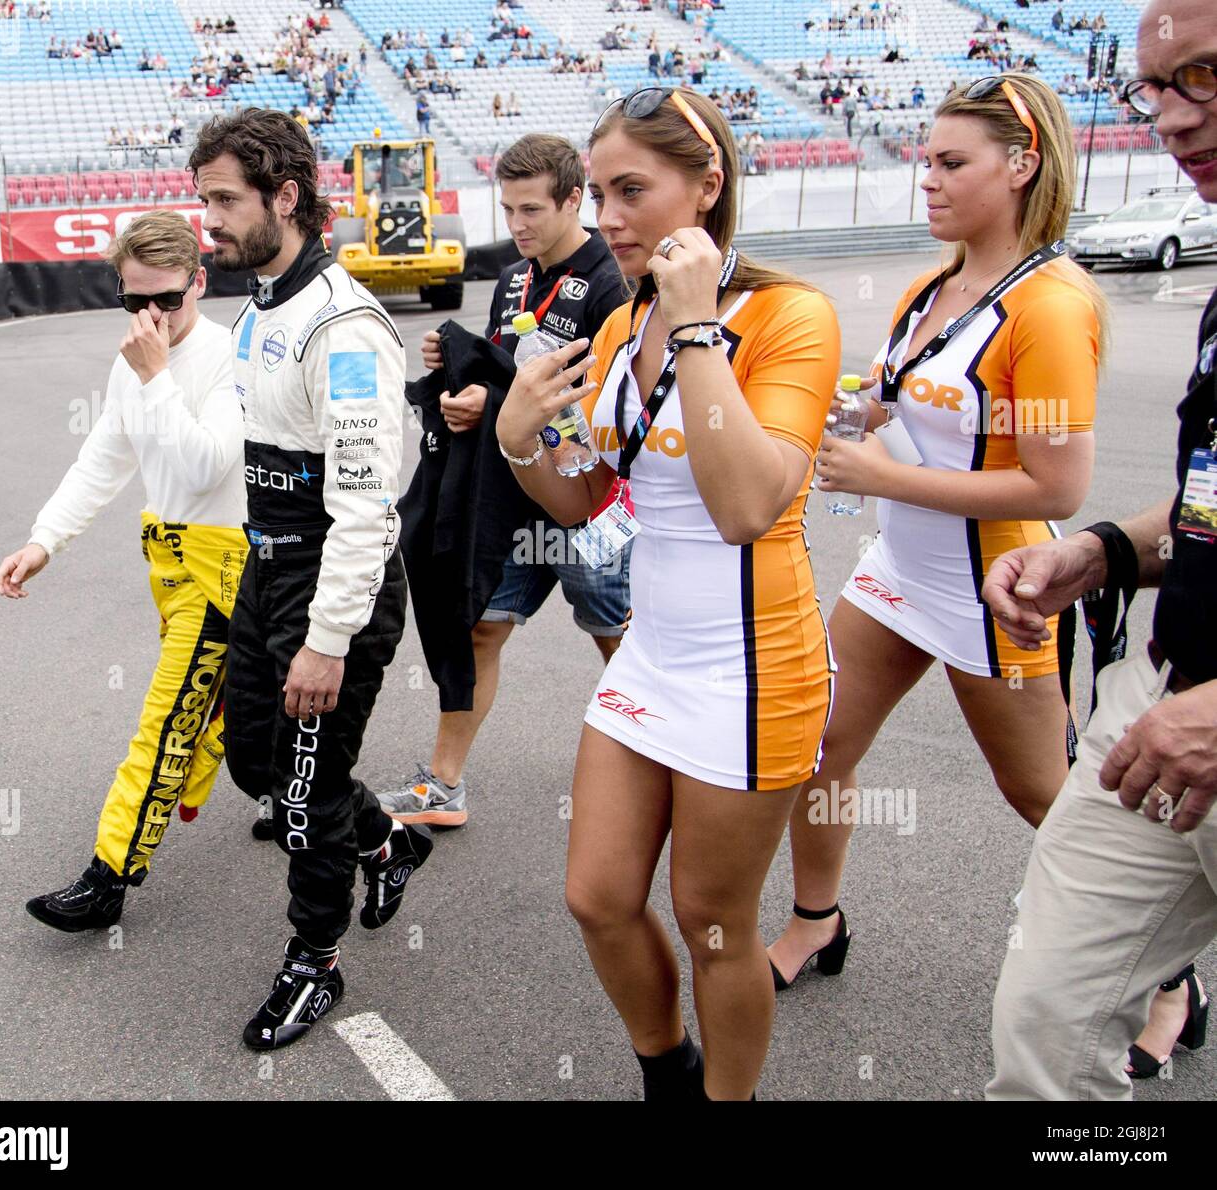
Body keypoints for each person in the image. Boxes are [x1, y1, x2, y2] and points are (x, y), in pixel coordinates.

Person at [496, 88, 840, 1100]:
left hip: (754, 667)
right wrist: (520, 433)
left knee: (712, 920)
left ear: (708, 185)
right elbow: (574, 498)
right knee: (597, 895)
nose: (607, 217)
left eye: (631, 190)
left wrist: (698, 333)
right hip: (655, 652)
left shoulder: (788, 317)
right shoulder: (621, 324)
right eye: (598, 193)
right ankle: (667, 1071)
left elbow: (746, 507)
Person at [766, 75, 1105, 1008]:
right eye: (927, 160)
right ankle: (816, 918)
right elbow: (905, 398)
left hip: (998, 586)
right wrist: (865, 407)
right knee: (816, 746)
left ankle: (1161, 976)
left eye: (953, 163)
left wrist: (880, 475)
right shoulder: (933, 283)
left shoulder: (1052, 304)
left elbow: (1058, 485)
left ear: (1023, 164)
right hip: (897, 574)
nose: (929, 180)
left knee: (1045, 798)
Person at [989, 0, 1217, 1099]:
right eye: (1155, 88)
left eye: (1203, 77)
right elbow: (1212, 503)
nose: (1171, 117)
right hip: (1158, 702)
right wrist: (1103, 555)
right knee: (1044, 1031)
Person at [191, 109, 432, 1051]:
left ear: (285, 198)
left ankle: (315, 962)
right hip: (269, 571)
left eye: (224, 199)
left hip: (338, 586)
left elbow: (367, 509)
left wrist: (327, 639)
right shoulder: (262, 305)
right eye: (204, 196)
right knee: (259, 764)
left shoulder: (347, 326)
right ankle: (384, 840)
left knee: (301, 793)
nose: (208, 217)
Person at [0, 212, 247, 931]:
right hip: (169, 561)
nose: (152, 317)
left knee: (166, 721)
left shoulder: (228, 355)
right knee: (236, 715)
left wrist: (159, 377)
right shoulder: (133, 359)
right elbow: (104, 459)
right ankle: (319, 810)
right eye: (135, 301)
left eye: (168, 300)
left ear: (199, 282)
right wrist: (44, 541)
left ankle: (108, 877)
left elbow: (205, 465)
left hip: (225, 568)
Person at [381, 133, 628, 826]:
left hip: (585, 497)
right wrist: (455, 375)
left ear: (573, 199)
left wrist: (502, 405)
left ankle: (674, 759)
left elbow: (608, 396)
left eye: (531, 210)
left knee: (617, 637)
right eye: (508, 209)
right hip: (517, 493)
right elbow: (506, 371)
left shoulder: (609, 277)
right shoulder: (517, 276)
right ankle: (445, 784)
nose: (516, 225)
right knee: (481, 630)